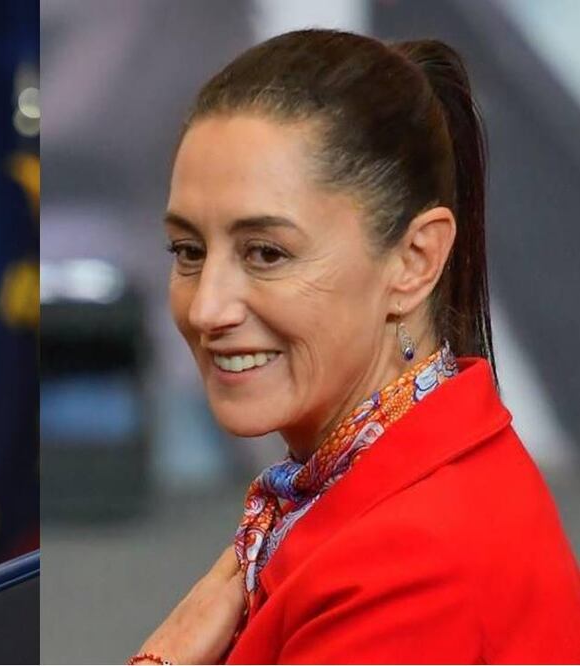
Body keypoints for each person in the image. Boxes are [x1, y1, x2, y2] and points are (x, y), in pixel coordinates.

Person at [131, 29, 580, 664]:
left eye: (266, 253)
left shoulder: (413, 569)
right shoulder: (377, 491)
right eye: (188, 251)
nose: (206, 308)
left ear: (414, 260)